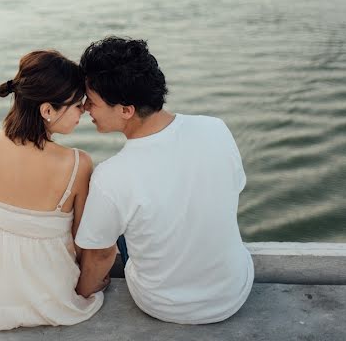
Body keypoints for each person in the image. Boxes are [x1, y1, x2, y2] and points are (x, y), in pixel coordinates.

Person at [74, 36, 254, 324]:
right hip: (234, 291)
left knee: (114, 217)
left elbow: (99, 257)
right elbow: (235, 188)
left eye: (91, 102)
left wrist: (80, 294)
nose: (84, 108)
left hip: (164, 304)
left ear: (125, 110)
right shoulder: (216, 128)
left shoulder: (112, 175)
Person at [0, 50, 104, 331]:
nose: (84, 111)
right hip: (45, 295)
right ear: (47, 110)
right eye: (77, 105)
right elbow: (82, 242)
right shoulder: (77, 164)